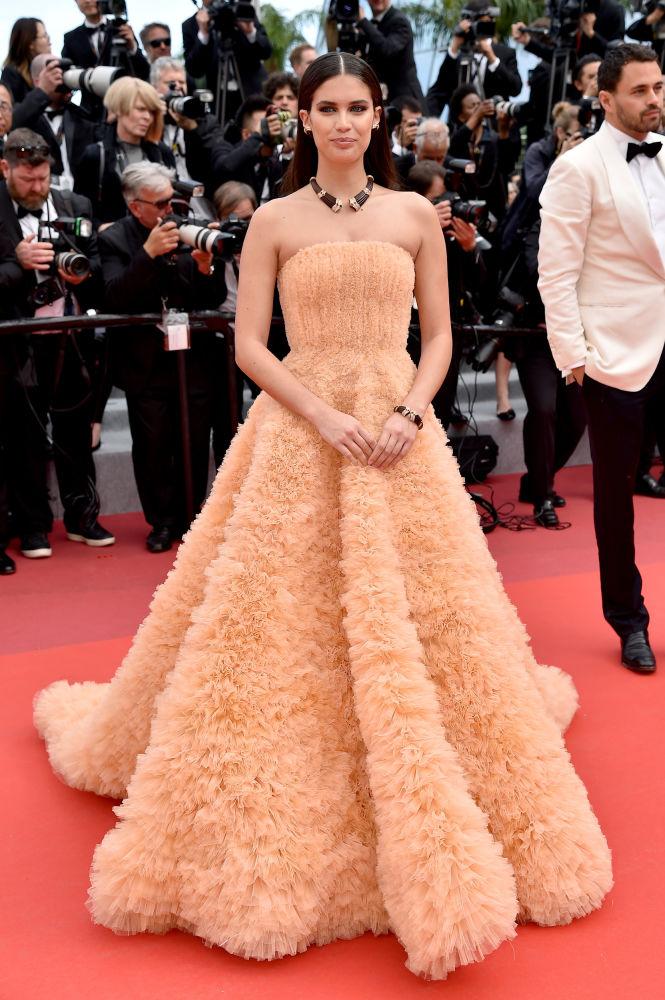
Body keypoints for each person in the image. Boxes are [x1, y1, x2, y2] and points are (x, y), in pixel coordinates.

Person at [34, 51, 612, 980]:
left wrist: (408, 413)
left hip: (396, 428)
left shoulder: (413, 214)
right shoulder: (272, 218)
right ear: (301, 118)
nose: (343, 122)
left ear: (377, 115)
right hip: (303, 427)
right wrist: (323, 415)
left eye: (357, 107)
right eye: (327, 108)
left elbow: (439, 337)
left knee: (430, 615)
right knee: (273, 612)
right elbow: (252, 346)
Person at [539, 43, 665, 674]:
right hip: (614, 356)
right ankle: (629, 621)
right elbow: (556, 273)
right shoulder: (578, 169)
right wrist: (573, 356)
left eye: (659, 87)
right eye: (641, 91)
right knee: (615, 502)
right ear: (606, 98)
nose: (655, 100)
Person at [97, 161, 226, 552]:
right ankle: (162, 522)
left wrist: (205, 267)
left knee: (194, 440)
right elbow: (112, 296)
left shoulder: (186, 227)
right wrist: (148, 254)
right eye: (161, 204)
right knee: (152, 446)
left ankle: (191, 517)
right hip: (144, 362)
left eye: (172, 200)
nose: (171, 209)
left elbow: (214, 297)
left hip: (192, 357)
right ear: (135, 206)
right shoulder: (115, 238)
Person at [0, 128, 115, 557]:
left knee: (75, 434)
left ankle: (82, 516)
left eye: (43, 178)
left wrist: (80, 277)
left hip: (71, 340)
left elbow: (97, 268)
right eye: (27, 179)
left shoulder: (74, 205)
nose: (37, 187)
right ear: (5, 168)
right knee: (25, 438)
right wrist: (18, 262)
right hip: (17, 343)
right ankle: (33, 526)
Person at [74, 77, 174, 225]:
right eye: (141, 109)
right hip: (111, 237)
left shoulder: (162, 153)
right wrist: (100, 228)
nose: (147, 117)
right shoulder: (96, 155)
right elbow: (79, 210)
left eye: (152, 111)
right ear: (120, 108)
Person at [426, 1, 522, 118]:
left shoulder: (505, 53)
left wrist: (492, 58)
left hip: (493, 124)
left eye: (490, 21)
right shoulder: (458, 55)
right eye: (483, 21)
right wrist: (454, 47)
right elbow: (439, 91)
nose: (489, 24)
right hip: (462, 126)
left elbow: (516, 89)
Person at [182, 0, 272, 123]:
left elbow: (266, 52)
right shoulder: (191, 25)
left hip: (252, 95)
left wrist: (250, 32)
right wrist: (203, 34)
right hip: (219, 102)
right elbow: (194, 70)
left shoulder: (241, 11)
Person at [62, 1, 150, 120]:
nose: (88, 1)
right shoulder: (71, 38)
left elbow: (143, 71)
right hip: (90, 111)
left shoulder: (121, 29)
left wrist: (132, 47)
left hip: (123, 105)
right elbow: (67, 74)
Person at [355, 0, 425, 109]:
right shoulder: (369, 26)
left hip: (407, 105)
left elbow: (388, 49)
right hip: (385, 102)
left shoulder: (399, 20)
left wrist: (364, 22)